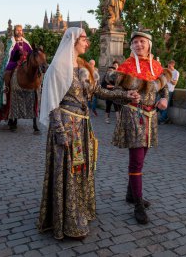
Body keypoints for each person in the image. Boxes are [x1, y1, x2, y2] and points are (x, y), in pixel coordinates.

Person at [37, 27, 140, 240]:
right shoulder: (58, 67)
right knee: (69, 171)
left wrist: (125, 95)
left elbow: (100, 92)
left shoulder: (83, 67)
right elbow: (52, 102)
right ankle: (68, 221)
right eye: (84, 39)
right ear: (73, 41)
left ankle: (79, 212)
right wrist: (60, 132)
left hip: (82, 127)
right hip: (66, 125)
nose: (87, 43)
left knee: (81, 169)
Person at [111, 29, 169, 224]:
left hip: (151, 116)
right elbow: (116, 92)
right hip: (133, 116)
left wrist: (165, 100)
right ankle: (137, 205)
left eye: (142, 42)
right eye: (135, 42)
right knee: (136, 161)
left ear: (149, 44)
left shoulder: (156, 66)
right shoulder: (126, 66)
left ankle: (130, 193)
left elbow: (165, 87)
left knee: (142, 157)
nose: (138, 45)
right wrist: (126, 95)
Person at [159, 60, 179, 124]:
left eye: (170, 64)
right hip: (162, 89)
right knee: (159, 105)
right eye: (168, 64)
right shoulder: (165, 70)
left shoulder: (176, 72)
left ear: (173, 65)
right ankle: (166, 118)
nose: (168, 65)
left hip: (170, 90)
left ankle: (162, 120)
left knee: (165, 106)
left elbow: (174, 83)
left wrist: (169, 78)